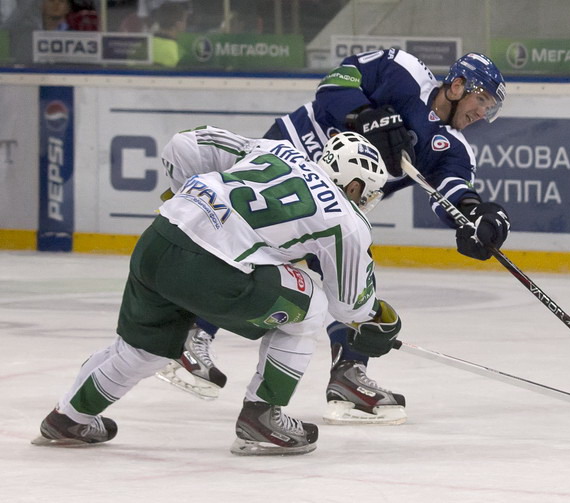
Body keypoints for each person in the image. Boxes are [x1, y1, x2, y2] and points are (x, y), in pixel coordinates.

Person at [157, 50, 511, 426]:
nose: (481, 114)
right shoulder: (403, 71)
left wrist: (476, 215)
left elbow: (453, 193)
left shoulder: (453, 148)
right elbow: (336, 83)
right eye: (481, 100)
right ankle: (193, 335)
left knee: (348, 277)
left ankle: (347, 373)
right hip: (290, 156)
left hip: (334, 200)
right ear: (457, 86)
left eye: (489, 108)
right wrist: (363, 114)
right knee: (250, 245)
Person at [31, 131, 403, 456]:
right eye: (366, 194)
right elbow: (349, 305)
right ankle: (263, 417)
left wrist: (186, 196)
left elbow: (186, 143)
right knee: (313, 306)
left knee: (143, 350)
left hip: (160, 237)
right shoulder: (347, 219)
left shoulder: (277, 150)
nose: (364, 202)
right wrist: (378, 319)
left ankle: (69, 418)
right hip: (208, 270)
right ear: (354, 186)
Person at [151, 1, 189, 67]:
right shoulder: (177, 53)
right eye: (185, 20)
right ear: (178, 24)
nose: (186, 24)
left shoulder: (146, 44)